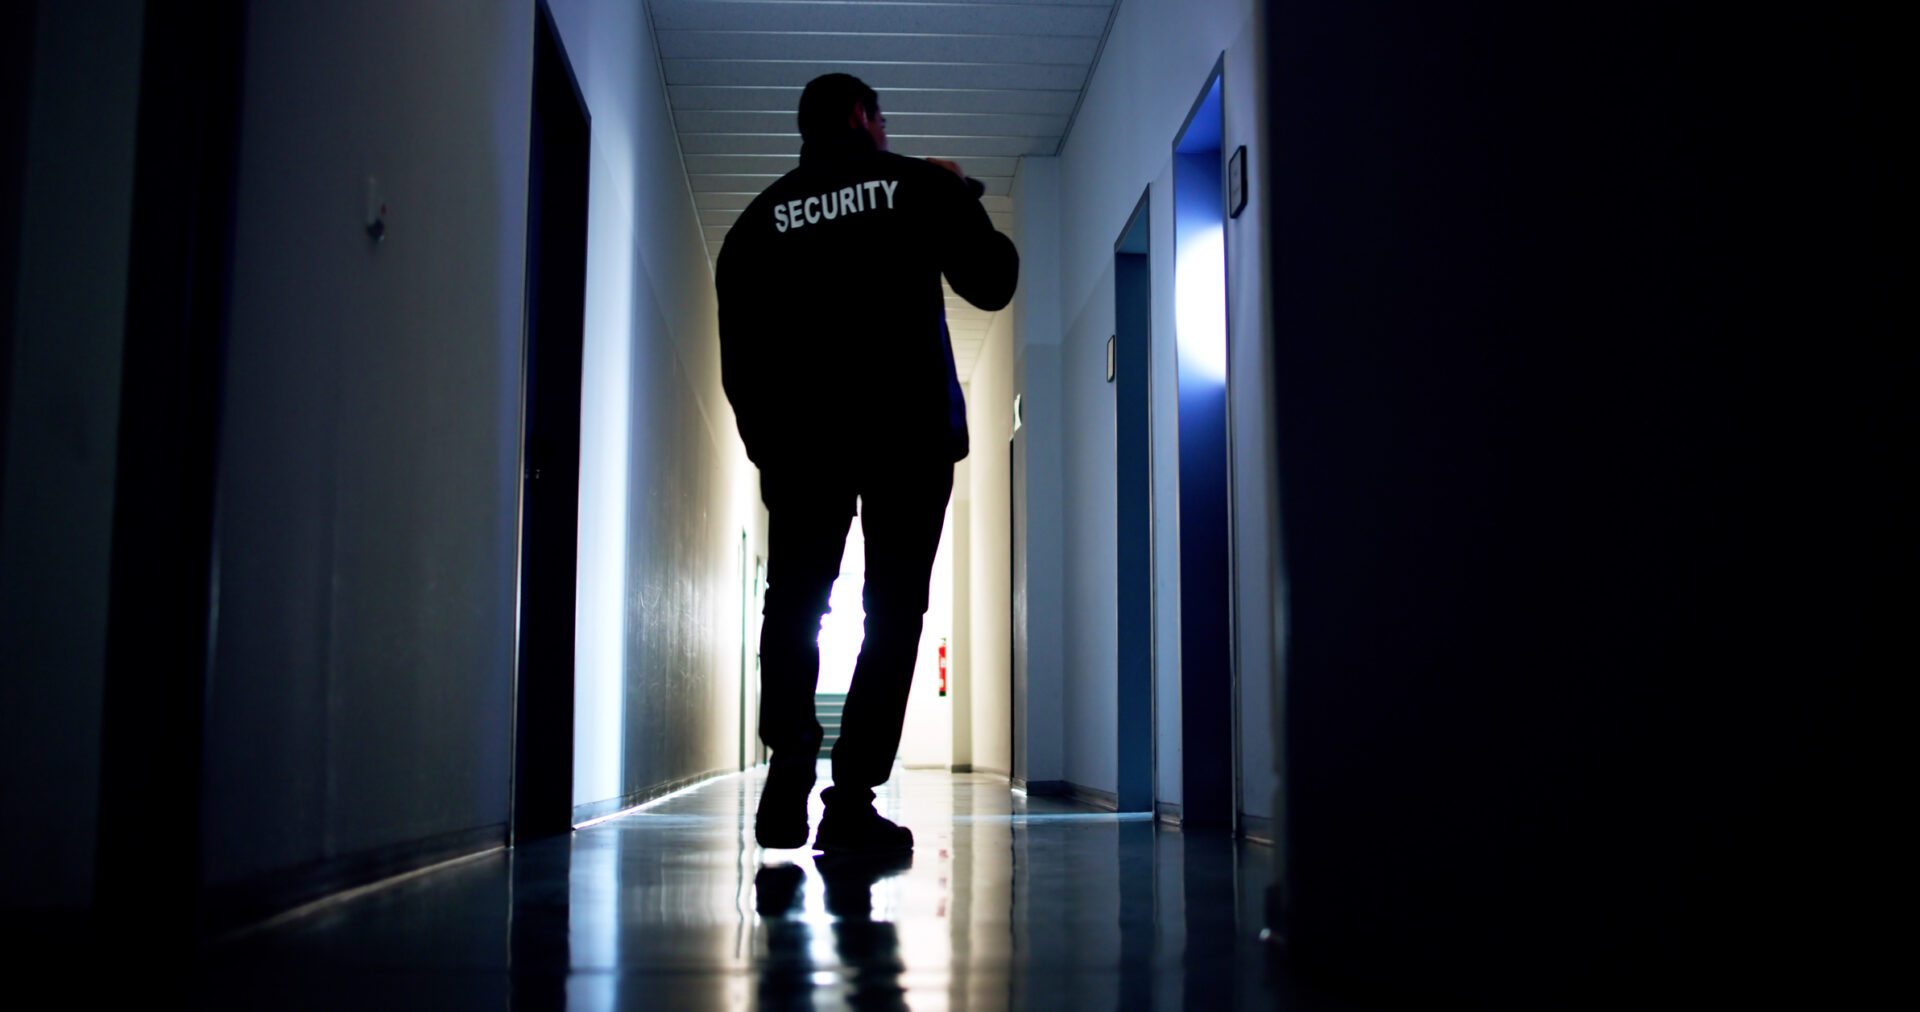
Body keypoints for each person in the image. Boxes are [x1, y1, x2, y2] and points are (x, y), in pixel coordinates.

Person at [716, 73, 1018, 854]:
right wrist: (957, 196)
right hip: (908, 438)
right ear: (861, 116)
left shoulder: (755, 225)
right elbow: (992, 281)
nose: (886, 133)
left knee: (795, 603)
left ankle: (789, 766)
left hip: (804, 445)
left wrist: (770, 450)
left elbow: (739, 363)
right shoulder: (919, 186)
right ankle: (849, 800)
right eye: (882, 121)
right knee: (893, 611)